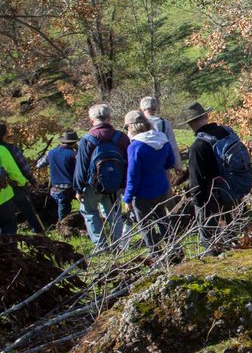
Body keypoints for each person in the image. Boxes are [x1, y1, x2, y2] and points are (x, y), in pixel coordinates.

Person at [183, 101, 252, 248]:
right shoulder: (227, 132)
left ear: (190, 124)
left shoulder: (198, 146)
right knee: (232, 232)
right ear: (206, 116)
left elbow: (196, 183)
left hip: (213, 199)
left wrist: (197, 204)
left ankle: (214, 258)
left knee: (210, 240)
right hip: (235, 189)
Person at [73, 104, 129, 248]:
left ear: (91, 119)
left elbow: (81, 167)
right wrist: (124, 185)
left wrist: (78, 189)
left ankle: (101, 246)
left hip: (92, 186)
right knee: (114, 214)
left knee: (90, 212)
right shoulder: (121, 137)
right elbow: (128, 162)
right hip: (115, 185)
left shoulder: (87, 140)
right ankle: (117, 244)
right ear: (109, 118)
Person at [123, 110, 178, 257]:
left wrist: (128, 197)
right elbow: (170, 162)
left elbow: (133, 175)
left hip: (143, 193)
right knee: (163, 220)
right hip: (161, 187)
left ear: (131, 127)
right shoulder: (162, 139)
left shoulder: (135, 147)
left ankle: (156, 254)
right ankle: (176, 250)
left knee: (145, 225)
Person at [0, 122, 45, 233]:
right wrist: (28, 181)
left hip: (4, 188)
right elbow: (23, 167)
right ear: (5, 134)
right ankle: (38, 230)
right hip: (12, 186)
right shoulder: (10, 149)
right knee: (27, 209)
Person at [37, 131, 79, 222]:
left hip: (54, 188)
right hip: (69, 188)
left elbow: (39, 165)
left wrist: (48, 155)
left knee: (62, 208)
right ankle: (62, 228)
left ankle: (58, 224)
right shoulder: (74, 155)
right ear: (74, 142)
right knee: (64, 213)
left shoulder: (51, 153)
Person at [140, 96, 183, 178]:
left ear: (142, 109)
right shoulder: (165, 123)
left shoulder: (137, 124)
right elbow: (172, 146)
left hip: (143, 165)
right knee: (165, 189)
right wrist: (178, 165)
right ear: (155, 108)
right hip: (162, 165)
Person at [0, 136, 29, 236]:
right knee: (8, 227)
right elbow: (14, 171)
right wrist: (21, 182)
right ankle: (9, 250)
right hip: (3, 198)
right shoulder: (1, 150)